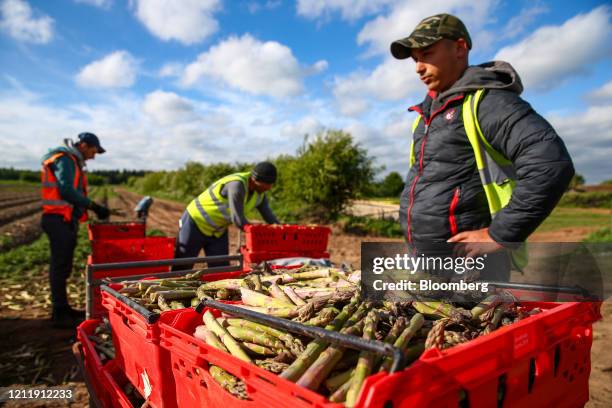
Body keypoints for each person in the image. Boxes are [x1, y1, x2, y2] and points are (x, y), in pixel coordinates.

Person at [390, 14, 574, 281]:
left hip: (470, 270)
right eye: (415, 59)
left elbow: (550, 164)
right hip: (429, 264)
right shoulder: (425, 115)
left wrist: (499, 234)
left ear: (460, 48)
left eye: (427, 54)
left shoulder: (488, 102)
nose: (418, 67)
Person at [41, 132, 110, 328]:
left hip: (63, 219)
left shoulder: (71, 160)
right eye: (94, 151)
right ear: (84, 145)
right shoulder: (66, 159)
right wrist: (94, 206)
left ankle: (63, 308)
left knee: (63, 265)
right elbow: (66, 190)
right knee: (60, 265)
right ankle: (59, 312)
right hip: (57, 219)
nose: (94, 156)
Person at [174, 162, 280, 270]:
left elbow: (270, 217)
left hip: (218, 231)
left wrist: (282, 231)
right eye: (269, 184)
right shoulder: (237, 184)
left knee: (221, 270)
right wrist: (254, 232)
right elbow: (238, 219)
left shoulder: (260, 195)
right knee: (182, 266)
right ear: (256, 180)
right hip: (195, 222)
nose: (270, 187)